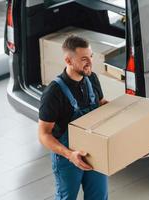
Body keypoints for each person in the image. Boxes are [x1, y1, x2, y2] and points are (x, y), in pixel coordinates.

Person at [38, 35, 108, 200]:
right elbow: (43, 134)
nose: (90, 62)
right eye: (84, 59)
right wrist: (70, 155)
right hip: (67, 158)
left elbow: (101, 103)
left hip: (95, 150)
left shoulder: (92, 78)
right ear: (68, 61)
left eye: (91, 56)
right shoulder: (53, 93)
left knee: (99, 196)